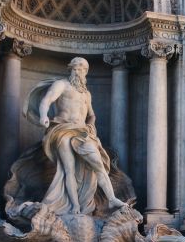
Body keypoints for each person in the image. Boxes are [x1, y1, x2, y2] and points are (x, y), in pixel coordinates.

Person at [24, 57, 126, 216]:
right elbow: (47, 100)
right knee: (68, 169)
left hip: (82, 132)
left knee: (98, 163)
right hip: (62, 129)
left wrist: (91, 126)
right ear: (70, 69)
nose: (79, 72)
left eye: (82, 69)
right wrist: (44, 115)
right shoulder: (61, 85)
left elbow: (91, 115)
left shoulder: (86, 94)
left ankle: (111, 198)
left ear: (86, 72)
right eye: (76, 69)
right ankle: (74, 205)